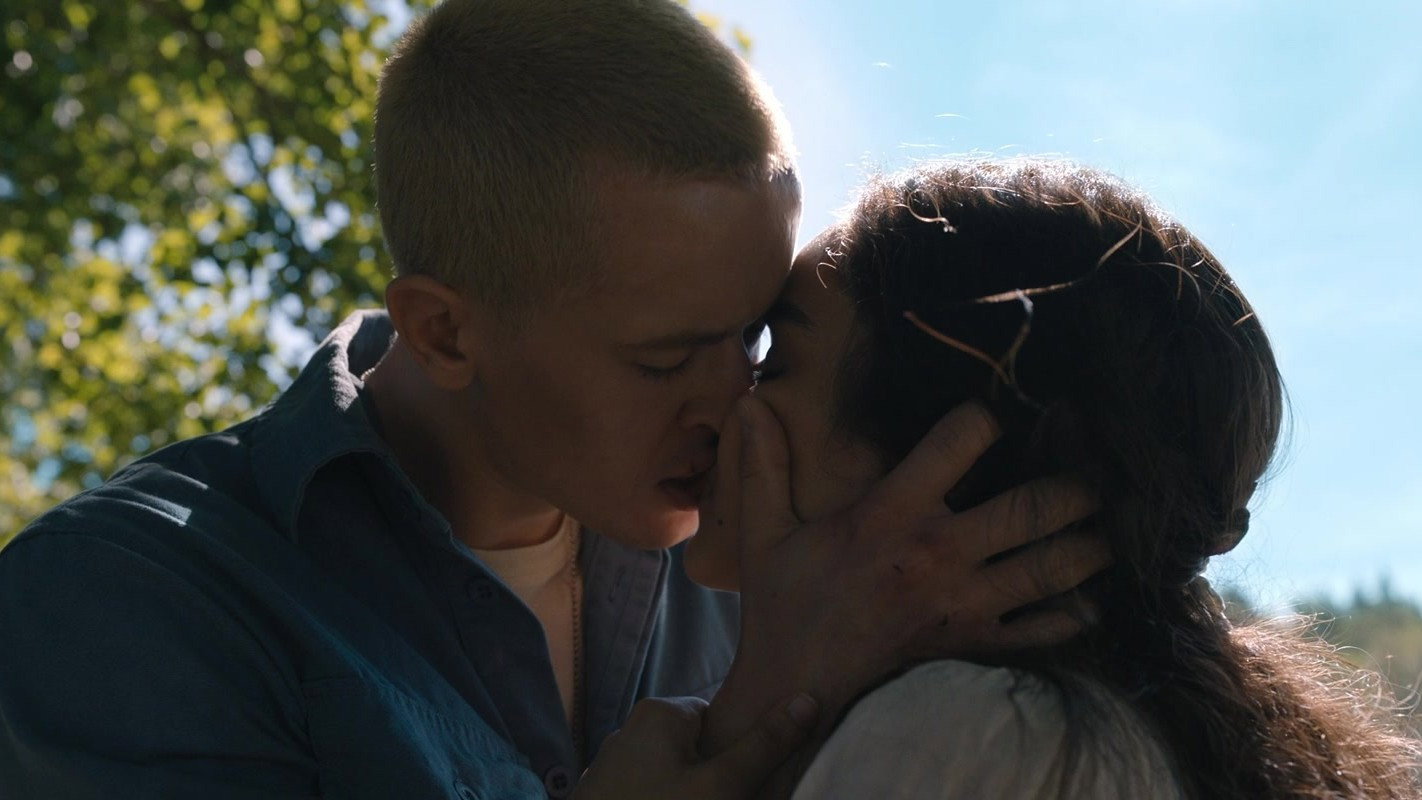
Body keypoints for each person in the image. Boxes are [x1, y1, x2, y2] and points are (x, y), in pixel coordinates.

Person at [0, 4, 1105, 799]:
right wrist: (773, 709)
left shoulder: (796, 573)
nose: (737, 405)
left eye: (755, 339)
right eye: (664, 359)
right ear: (445, 330)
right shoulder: (127, 599)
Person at [686, 158, 1422, 798]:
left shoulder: (972, 739)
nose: (725, 400)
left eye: (773, 364)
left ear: (945, 464)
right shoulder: (1140, 728)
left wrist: (759, 713)